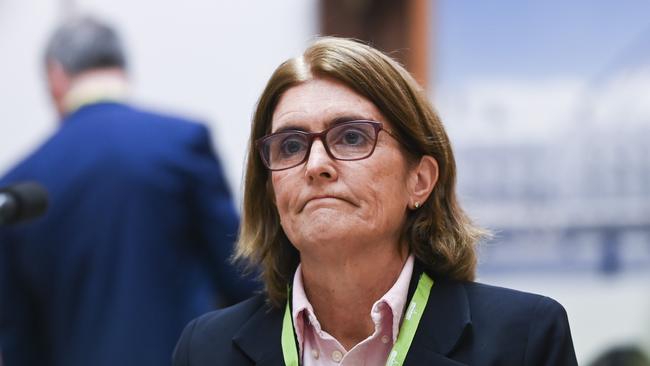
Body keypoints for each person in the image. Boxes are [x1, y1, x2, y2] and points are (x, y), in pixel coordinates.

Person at [172, 37, 578, 366]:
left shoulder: (525, 338)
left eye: (351, 137)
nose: (316, 166)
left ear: (419, 181)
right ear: (271, 191)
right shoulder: (206, 350)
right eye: (291, 146)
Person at [0, 16, 257, 366]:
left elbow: (17, 334)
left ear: (55, 75)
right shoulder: (181, 142)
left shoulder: (20, 183)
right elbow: (239, 274)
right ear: (121, 66)